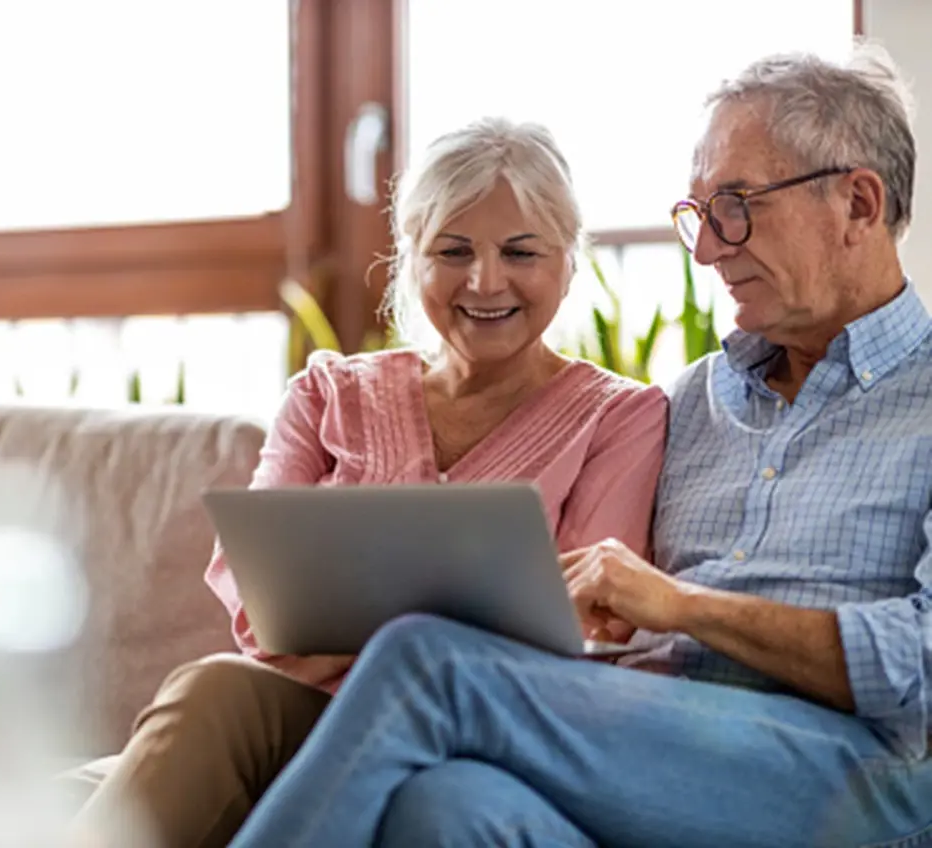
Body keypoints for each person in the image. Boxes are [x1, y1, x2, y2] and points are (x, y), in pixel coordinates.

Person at [226, 46, 932, 848]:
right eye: (698, 215)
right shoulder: (695, 399)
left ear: (860, 204)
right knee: (447, 807)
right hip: (645, 740)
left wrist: (681, 606)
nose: (706, 249)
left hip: (848, 768)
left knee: (429, 661)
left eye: (736, 205)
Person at [69, 117, 668, 848]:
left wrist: (362, 640)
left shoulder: (621, 417)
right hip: (314, 715)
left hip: (479, 738)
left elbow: (579, 626)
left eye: (521, 252)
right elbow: (263, 606)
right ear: (409, 261)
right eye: (452, 251)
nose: (485, 281)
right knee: (215, 687)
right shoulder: (327, 393)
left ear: (569, 263)